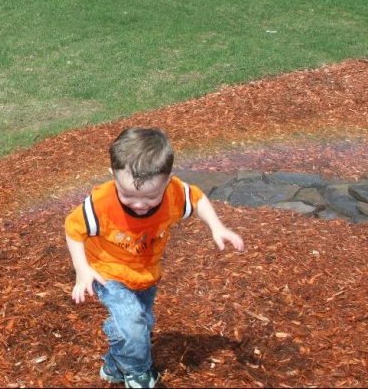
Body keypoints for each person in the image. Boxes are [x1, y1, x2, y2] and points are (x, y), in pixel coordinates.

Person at [64, 127, 244, 388]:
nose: (139, 204)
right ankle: (138, 372)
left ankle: (113, 367)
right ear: (113, 176)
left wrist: (217, 226)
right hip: (107, 272)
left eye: (150, 196)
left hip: (147, 272)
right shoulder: (102, 204)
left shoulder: (173, 194)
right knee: (131, 320)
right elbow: (73, 228)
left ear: (167, 180)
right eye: (129, 196)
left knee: (143, 323)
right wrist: (82, 270)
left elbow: (197, 199)